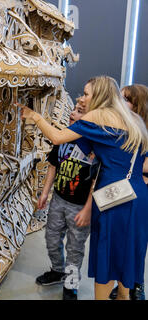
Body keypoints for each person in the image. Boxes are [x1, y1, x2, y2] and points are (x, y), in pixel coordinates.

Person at [18, 75, 148, 300]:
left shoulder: (99, 116)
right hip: (137, 196)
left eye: (87, 94)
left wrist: (35, 117)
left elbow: (58, 138)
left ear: (99, 95)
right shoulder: (134, 119)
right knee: (125, 261)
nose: (82, 98)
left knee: (106, 263)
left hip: (113, 198)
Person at [35, 99, 97, 300]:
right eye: (74, 109)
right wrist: (45, 192)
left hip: (79, 206)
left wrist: (88, 208)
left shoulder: (94, 144)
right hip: (58, 199)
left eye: (80, 111)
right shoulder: (62, 138)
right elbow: (53, 165)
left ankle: (71, 285)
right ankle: (58, 270)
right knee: (51, 237)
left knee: (75, 247)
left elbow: (96, 178)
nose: (73, 112)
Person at [108, 83, 148, 300]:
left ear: (138, 105)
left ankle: (135, 285)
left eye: (126, 99)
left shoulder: (143, 129)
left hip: (140, 195)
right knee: (120, 242)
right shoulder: (122, 126)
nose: (120, 103)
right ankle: (123, 283)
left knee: (136, 243)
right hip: (125, 191)